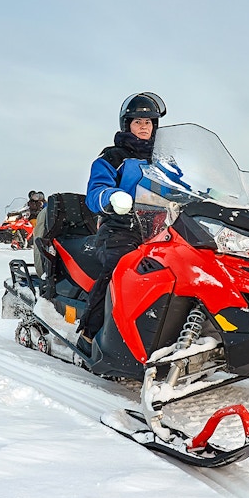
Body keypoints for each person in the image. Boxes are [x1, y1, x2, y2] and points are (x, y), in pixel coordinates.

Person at [77, 92, 167, 353]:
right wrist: (112, 196)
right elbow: (95, 192)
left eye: (148, 122)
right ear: (127, 124)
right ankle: (89, 334)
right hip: (121, 227)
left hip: (161, 227)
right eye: (138, 122)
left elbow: (185, 186)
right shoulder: (112, 158)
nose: (143, 127)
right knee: (121, 268)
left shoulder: (165, 162)